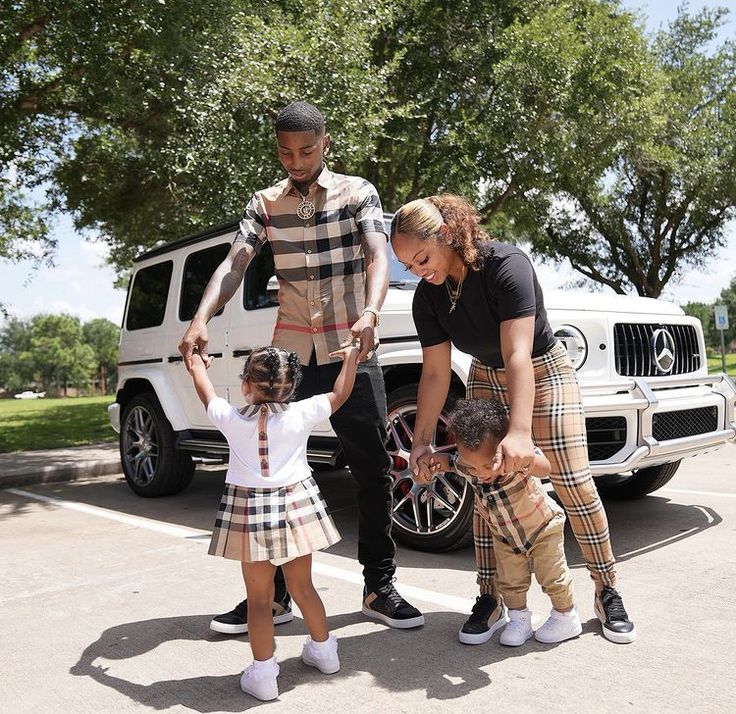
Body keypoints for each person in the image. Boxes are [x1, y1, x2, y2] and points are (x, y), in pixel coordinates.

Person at [179, 101, 424, 634]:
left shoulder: (358, 192)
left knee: (373, 470)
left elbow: (378, 254)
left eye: (306, 150)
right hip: (288, 357)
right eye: (286, 151)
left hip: (349, 348)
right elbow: (236, 263)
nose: (296, 160)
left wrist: (372, 313)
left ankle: (379, 587)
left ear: (326, 144)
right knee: (269, 471)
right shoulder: (264, 204)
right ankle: (275, 598)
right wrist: (201, 316)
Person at [391, 194, 636, 644]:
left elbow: (518, 353)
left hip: (543, 369)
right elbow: (434, 373)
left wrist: (521, 432)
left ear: (445, 234)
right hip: (486, 373)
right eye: (408, 266)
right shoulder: (428, 298)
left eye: (421, 258)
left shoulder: (506, 265)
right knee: (485, 482)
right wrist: (421, 442)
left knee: (572, 480)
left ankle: (607, 590)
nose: (418, 272)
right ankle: (492, 598)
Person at [189, 344, 357, 700]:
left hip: (250, 513)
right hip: (295, 508)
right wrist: (353, 356)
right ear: (292, 386)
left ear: (246, 385)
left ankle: (264, 675)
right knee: (303, 587)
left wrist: (196, 364)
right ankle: (324, 653)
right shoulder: (302, 412)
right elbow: (340, 393)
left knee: (260, 600)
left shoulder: (230, 418)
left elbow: (204, 390)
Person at [420, 398, 582, 646]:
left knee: (553, 576)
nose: (480, 473)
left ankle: (565, 616)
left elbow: (545, 467)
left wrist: (523, 458)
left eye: (486, 465)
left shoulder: (515, 457)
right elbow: (449, 462)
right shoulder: (469, 465)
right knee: (510, 582)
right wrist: (431, 463)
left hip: (542, 529)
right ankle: (519, 620)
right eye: (473, 468)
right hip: (505, 536)